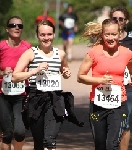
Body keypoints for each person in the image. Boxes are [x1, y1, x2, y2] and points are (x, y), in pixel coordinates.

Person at [12, 20, 78, 150]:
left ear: (54, 34)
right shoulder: (30, 53)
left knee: (50, 141)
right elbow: (15, 76)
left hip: (55, 99)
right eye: (42, 35)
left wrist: (66, 73)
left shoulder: (60, 54)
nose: (46, 38)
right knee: (39, 142)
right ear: (37, 35)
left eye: (49, 34)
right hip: (36, 99)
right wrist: (35, 70)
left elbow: (65, 70)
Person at [77, 19, 132, 150]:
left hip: (119, 105)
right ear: (102, 35)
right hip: (97, 105)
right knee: (100, 145)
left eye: (114, 34)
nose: (111, 38)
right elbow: (80, 77)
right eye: (107, 35)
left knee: (112, 145)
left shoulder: (127, 53)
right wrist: (100, 80)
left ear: (119, 33)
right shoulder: (93, 53)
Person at [0, 16, 31, 150]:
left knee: (19, 132)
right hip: (2, 94)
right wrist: (2, 73)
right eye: (13, 25)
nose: (17, 28)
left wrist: (28, 71)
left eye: (20, 26)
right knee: (7, 133)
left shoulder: (27, 47)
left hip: (21, 94)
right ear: (7, 29)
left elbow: (33, 70)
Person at [110, 6, 132, 150]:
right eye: (114, 19)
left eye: (120, 19)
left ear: (126, 21)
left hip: (127, 87)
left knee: (125, 122)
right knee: (107, 122)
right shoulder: (104, 37)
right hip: (108, 86)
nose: (117, 21)